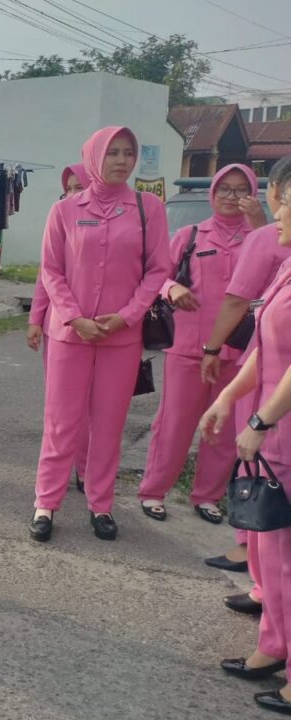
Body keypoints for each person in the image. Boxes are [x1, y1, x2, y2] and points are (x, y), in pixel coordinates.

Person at [28, 127, 171, 543]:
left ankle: (101, 505)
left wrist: (128, 316)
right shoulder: (66, 211)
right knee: (61, 422)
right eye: (113, 153)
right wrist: (74, 317)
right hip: (70, 335)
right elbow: (51, 270)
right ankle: (45, 504)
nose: (122, 161)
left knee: (109, 423)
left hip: (121, 338)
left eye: (129, 153)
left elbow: (158, 270)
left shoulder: (148, 208)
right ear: (94, 158)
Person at [200, 179, 291, 715]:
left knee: (285, 556)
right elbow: (265, 346)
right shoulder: (285, 264)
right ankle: (275, 644)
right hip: (268, 431)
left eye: (287, 203)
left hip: (280, 427)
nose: (277, 212)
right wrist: (229, 397)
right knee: (267, 551)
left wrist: (259, 419)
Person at [138, 164, 261, 525]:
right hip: (188, 346)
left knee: (222, 428)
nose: (232, 197)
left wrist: (257, 226)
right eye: (225, 189)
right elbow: (157, 274)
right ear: (213, 193)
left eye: (241, 190)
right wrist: (171, 288)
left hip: (239, 350)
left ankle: (207, 495)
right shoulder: (191, 234)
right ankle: (153, 490)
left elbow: (277, 272)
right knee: (174, 423)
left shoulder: (263, 236)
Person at [26, 164, 90, 492]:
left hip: (101, 331)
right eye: (70, 188)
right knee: (62, 407)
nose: (74, 194)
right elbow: (46, 277)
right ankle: (58, 474)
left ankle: (87, 468)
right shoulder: (61, 219)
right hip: (61, 330)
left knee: (94, 407)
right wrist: (35, 320)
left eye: (82, 187)